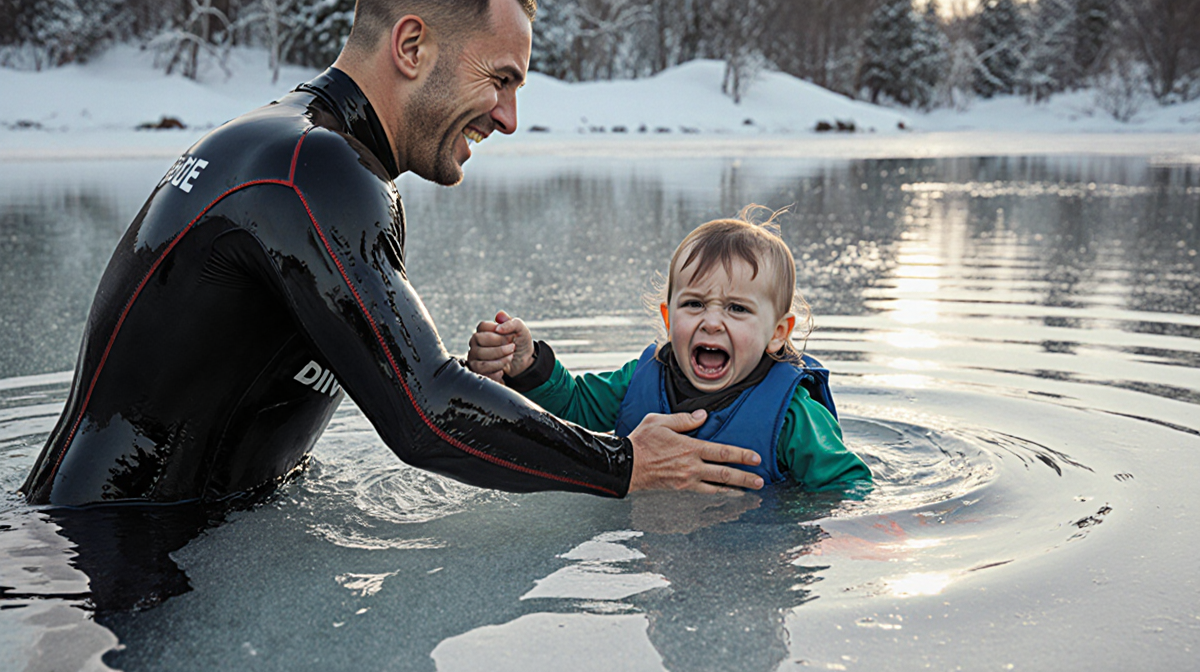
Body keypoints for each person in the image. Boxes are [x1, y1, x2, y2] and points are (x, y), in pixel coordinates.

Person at [21, 0, 765, 507]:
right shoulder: (313, 171)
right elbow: (427, 411)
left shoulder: (290, 149)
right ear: (412, 46)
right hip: (113, 567)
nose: (510, 117)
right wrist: (626, 464)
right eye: (500, 80)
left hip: (140, 535)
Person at [467, 208, 872, 491]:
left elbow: (848, 486)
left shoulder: (793, 415)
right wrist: (529, 366)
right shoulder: (643, 378)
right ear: (667, 317)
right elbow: (575, 406)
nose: (711, 322)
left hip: (750, 555)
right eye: (693, 304)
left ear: (777, 333)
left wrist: (794, 530)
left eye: (737, 308)